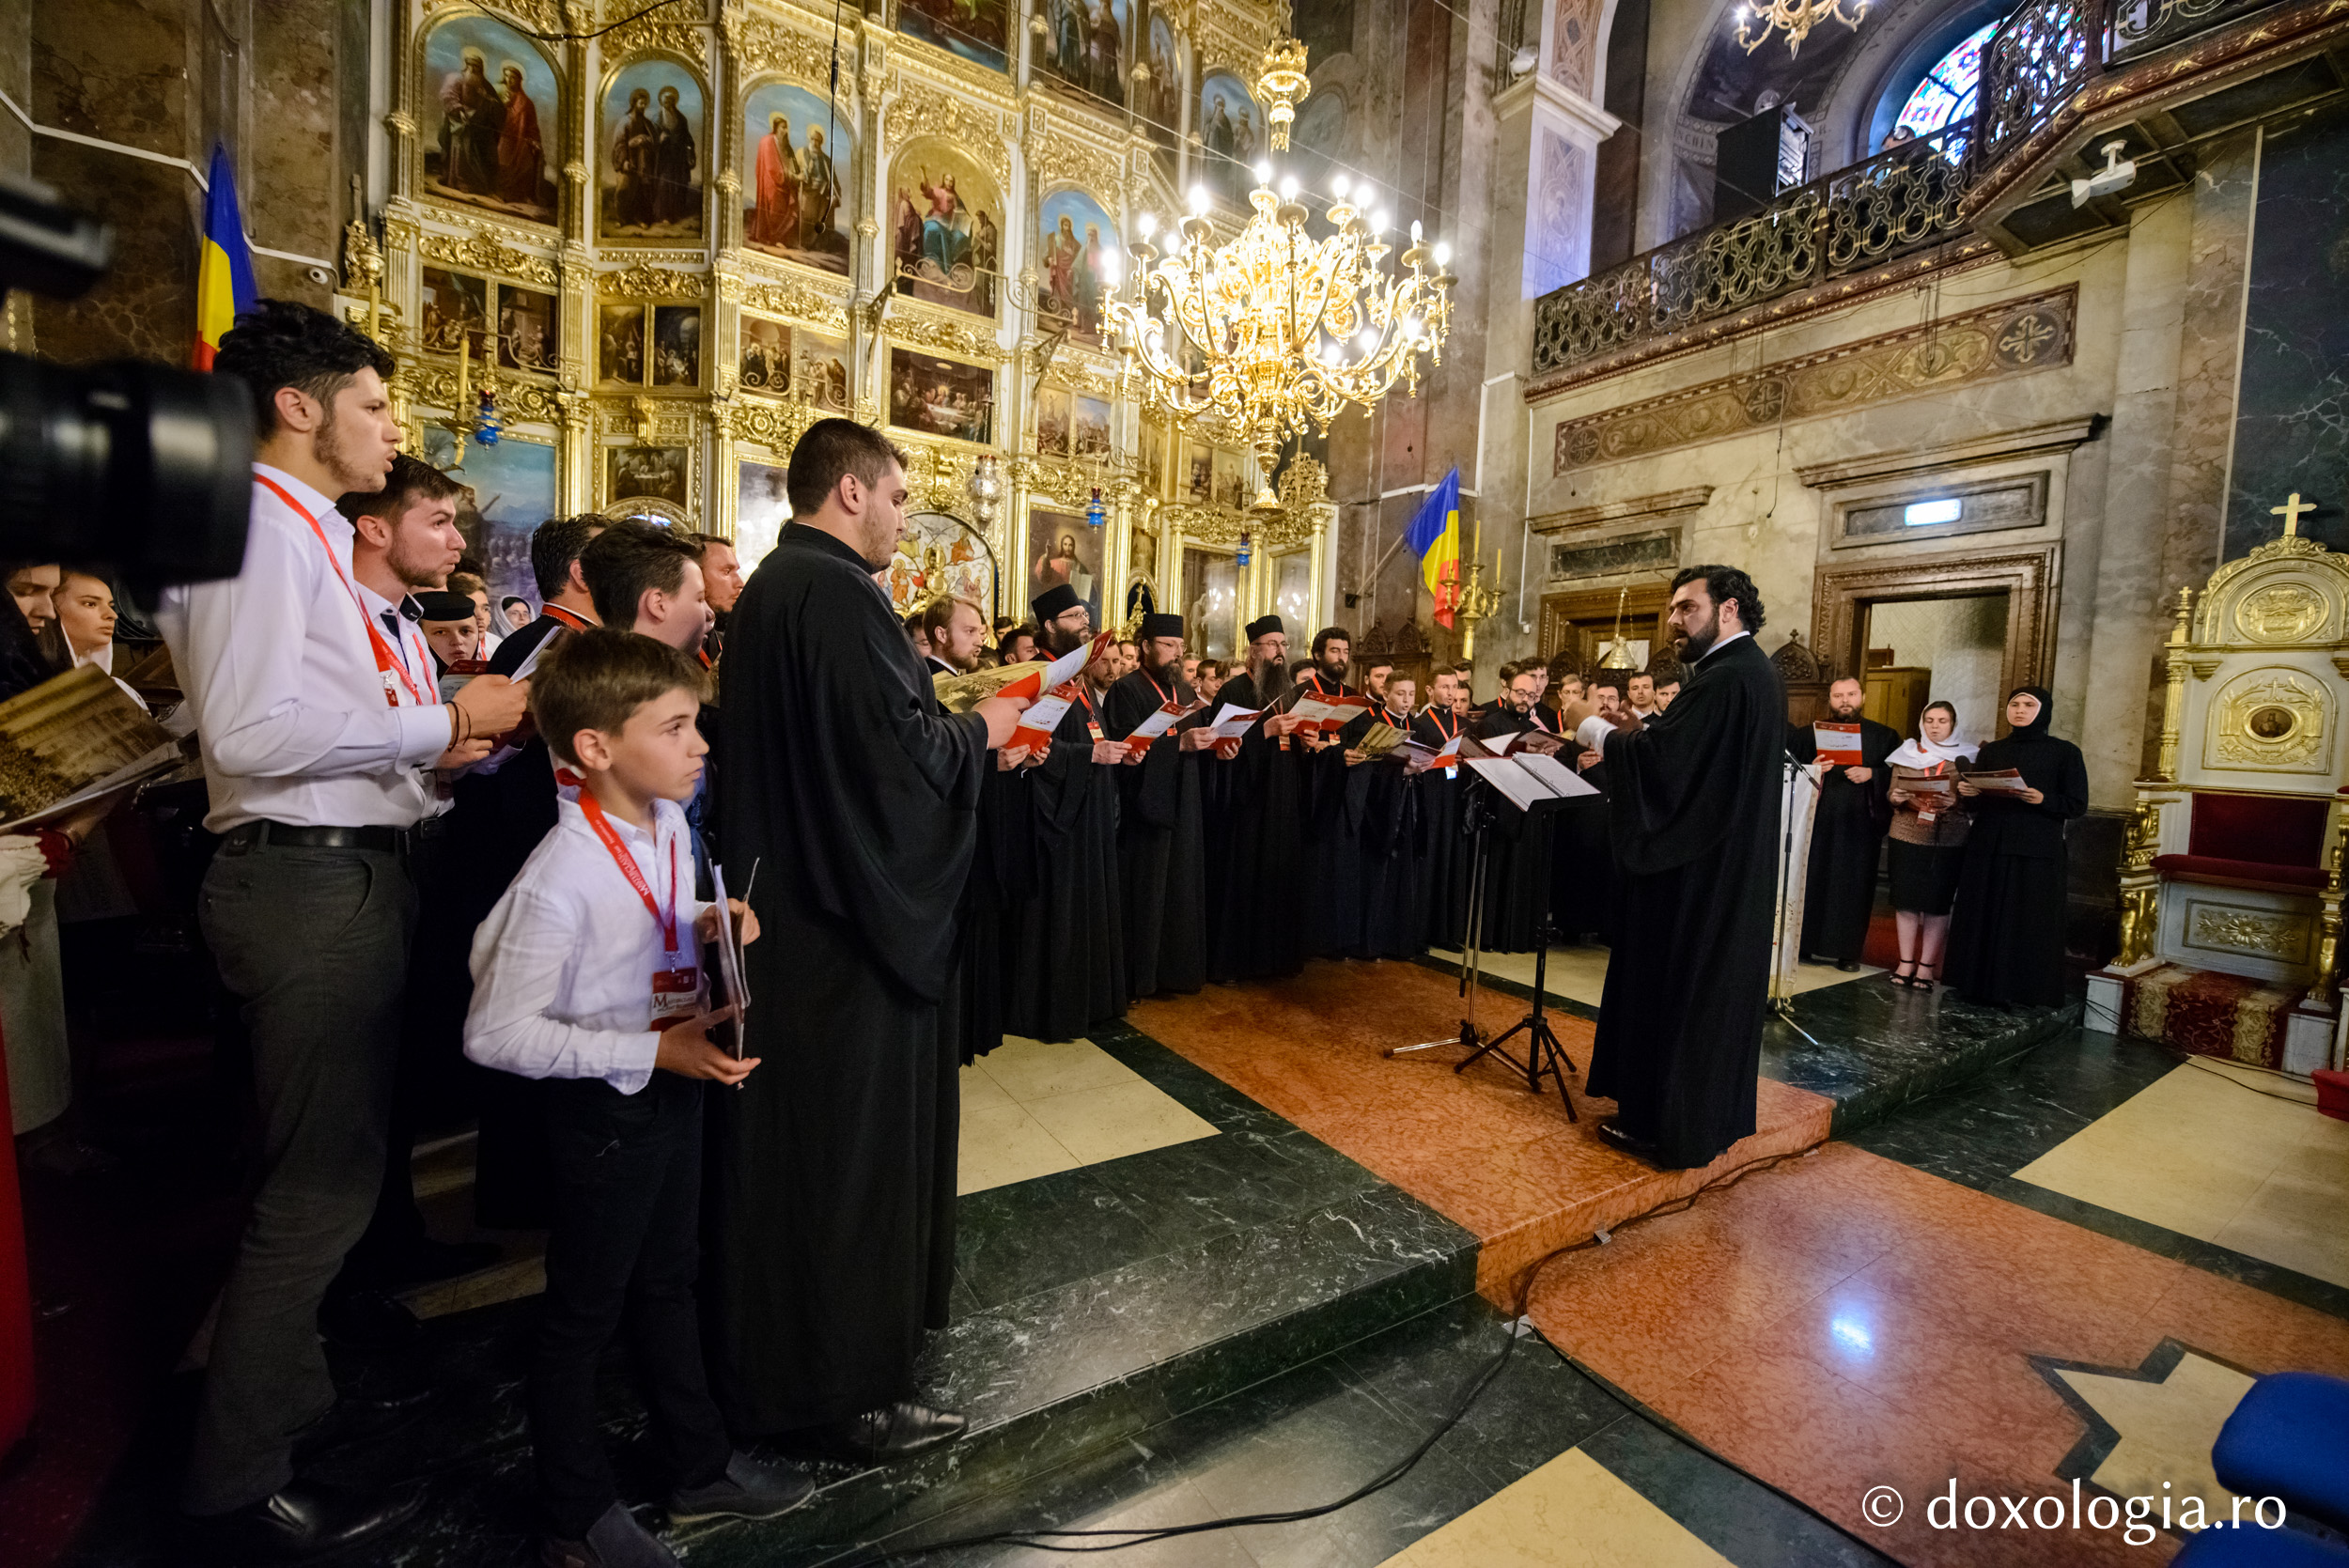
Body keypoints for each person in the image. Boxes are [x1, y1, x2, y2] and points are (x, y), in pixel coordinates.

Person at [155, 300, 532, 1559]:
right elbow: (250, 737)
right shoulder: (262, 534)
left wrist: (431, 758)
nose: (392, 428)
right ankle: (233, 1473)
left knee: (324, 1167)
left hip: (342, 869)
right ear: (300, 408)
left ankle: (283, 1394)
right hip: (305, 885)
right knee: (313, 1193)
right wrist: (444, 723)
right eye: (372, 404)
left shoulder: (299, 534)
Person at [709, 419, 1026, 1457]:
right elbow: (895, 764)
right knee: (842, 1159)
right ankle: (842, 1390)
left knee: (811, 1158)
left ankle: (808, 1360)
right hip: (843, 933)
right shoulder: (837, 595)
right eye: (895, 496)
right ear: (849, 490)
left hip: (796, 911)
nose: (902, 516)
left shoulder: (775, 588)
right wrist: (986, 731)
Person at [464, 629, 811, 1568]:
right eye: (676, 726)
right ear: (594, 748)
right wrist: (650, 1054)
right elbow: (493, 1033)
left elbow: (657, 923)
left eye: (695, 723)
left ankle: (696, 1465)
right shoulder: (559, 880)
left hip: (670, 1081)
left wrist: (715, 920)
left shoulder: (663, 821)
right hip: (607, 1111)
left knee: (670, 1277)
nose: (701, 745)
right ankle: (572, 1516)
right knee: (582, 1313)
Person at [1559, 565, 1783, 1171]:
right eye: (1674, 610)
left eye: (1688, 608)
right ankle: (1690, 1121)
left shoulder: (1725, 679)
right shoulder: (1747, 674)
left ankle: (1667, 1129)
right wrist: (1644, 734)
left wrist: (1590, 723)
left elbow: (1665, 768)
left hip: (1697, 877)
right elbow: (1686, 759)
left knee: (1682, 989)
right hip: (1724, 867)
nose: (1675, 621)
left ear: (1728, 609)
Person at [1003, 584, 1129, 1039]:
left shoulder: (1077, 675)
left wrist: (1113, 752)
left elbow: (1090, 731)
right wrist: (1085, 757)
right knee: (1056, 909)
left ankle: (1093, 1000)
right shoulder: (1037, 673)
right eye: (1075, 617)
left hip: (1088, 806)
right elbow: (1024, 744)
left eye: (1085, 615)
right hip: (1051, 813)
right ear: (1051, 625)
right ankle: (1052, 1009)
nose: (1084, 623)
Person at [1943, 687, 2087, 1007]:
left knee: (2025, 919)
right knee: (1984, 913)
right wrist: (1969, 791)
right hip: (1989, 844)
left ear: (2043, 710)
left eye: (2028, 705)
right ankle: (1974, 984)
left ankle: (2022, 990)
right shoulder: (1993, 751)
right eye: (2014, 704)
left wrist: (2044, 799)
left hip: (2035, 849)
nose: (2019, 710)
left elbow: (2077, 804)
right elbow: (1976, 805)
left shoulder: (2065, 752)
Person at [1105, 613, 1211, 998]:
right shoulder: (1127, 690)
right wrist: (1177, 745)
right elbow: (1123, 750)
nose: (1177, 655)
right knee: (1146, 893)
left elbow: (1194, 740)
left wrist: (1218, 745)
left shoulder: (1184, 692)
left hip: (1184, 801)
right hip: (1146, 808)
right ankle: (1141, 978)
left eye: (1181, 648)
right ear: (1147, 646)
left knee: (1181, 887)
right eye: (1169, 646)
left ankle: (1175, 972)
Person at [1202, 616, 1307, 982]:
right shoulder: (1232, 692)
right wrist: (1265, 730)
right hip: (1247, 803)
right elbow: (1219, 747)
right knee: (1244, 876)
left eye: (1284, 645)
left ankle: (1275, 959)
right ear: (1253, 650)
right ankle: (1236, 962)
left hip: (1282, 795)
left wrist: (1304, 741)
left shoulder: (1290, 692)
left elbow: (1290, 743)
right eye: (1272, 644)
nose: (1280, 652)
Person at [1790, 675, 1899, 971]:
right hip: (1818, 823)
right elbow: (1787, 769)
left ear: (1862, 697)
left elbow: (1900, 777)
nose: (1845, 701)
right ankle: (1805, 945)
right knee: (1812, 881)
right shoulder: (1807, 735)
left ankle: (1848, 952)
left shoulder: (1884, 736)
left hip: (1859, 827)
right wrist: (1813, 768)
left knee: (1854, 888)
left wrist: (1873, 775)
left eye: (1851, 694)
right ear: (1830, 699)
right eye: (1838, 696)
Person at [1471, 662, 1564, 953]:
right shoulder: (1491, 722)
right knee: (1499, 870)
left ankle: (1521, 936)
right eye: (1520, 693)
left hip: (1530, 808)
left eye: (1531, 695)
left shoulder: (1535, 727)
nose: (1525, 700)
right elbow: (1482, 763)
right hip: (1500, 807)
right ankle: (1491, 937)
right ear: (1506, 690)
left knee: (1525, 871)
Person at [1884, 701, 1976, 992]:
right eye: (1930, 720)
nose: (1935, 726)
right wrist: (1896, 797)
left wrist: (1957, 802)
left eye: (1942, 721)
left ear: (1953, 725)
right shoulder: (1906, 753)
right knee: (1906, 900)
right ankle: (1905, 962)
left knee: (1937, 903)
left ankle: (1926, 967)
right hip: (1906, 833)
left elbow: (1976, 802)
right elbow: (1891, 791)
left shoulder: (1967, 758)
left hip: (1947, 838)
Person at [1355, 673, 1427, 959]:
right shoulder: (1372, 725)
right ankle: (1371, 942)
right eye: (1400, 694)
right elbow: (1368, 770)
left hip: (1409, 804)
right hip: (1380, 811)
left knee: (1405, 872)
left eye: (1411, 694)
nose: (1407, 700)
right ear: (1386, 694)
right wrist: (1400, 771)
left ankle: (1402, 941)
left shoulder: (1417, 727)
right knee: (1377, 873)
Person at [1414, 667, 1469, 949]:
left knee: (1451, 860)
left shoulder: (1462, 722)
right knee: (1430, 861)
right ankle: (1422, 932)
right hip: (1430, 798)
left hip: (1454, 797)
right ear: (1429, 690)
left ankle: (1447, 932)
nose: (1450, 693)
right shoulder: (1421, 722)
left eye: (1454, 687)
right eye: (1445, 687)